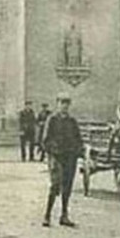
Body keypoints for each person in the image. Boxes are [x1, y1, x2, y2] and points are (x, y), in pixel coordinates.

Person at [42, 92, 83, 227]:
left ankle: (64, 215)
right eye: (62, 103)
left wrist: (77, 151)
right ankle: (47, 215)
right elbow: (45, 140)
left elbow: (78, 139)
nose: (64, 106)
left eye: (66, 104)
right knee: (55, 185)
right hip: (56, 157)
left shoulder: (72, 121)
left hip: (70, 158)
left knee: (67, 187)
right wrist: (53, 152)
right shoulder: (52, 119)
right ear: (57, 104)